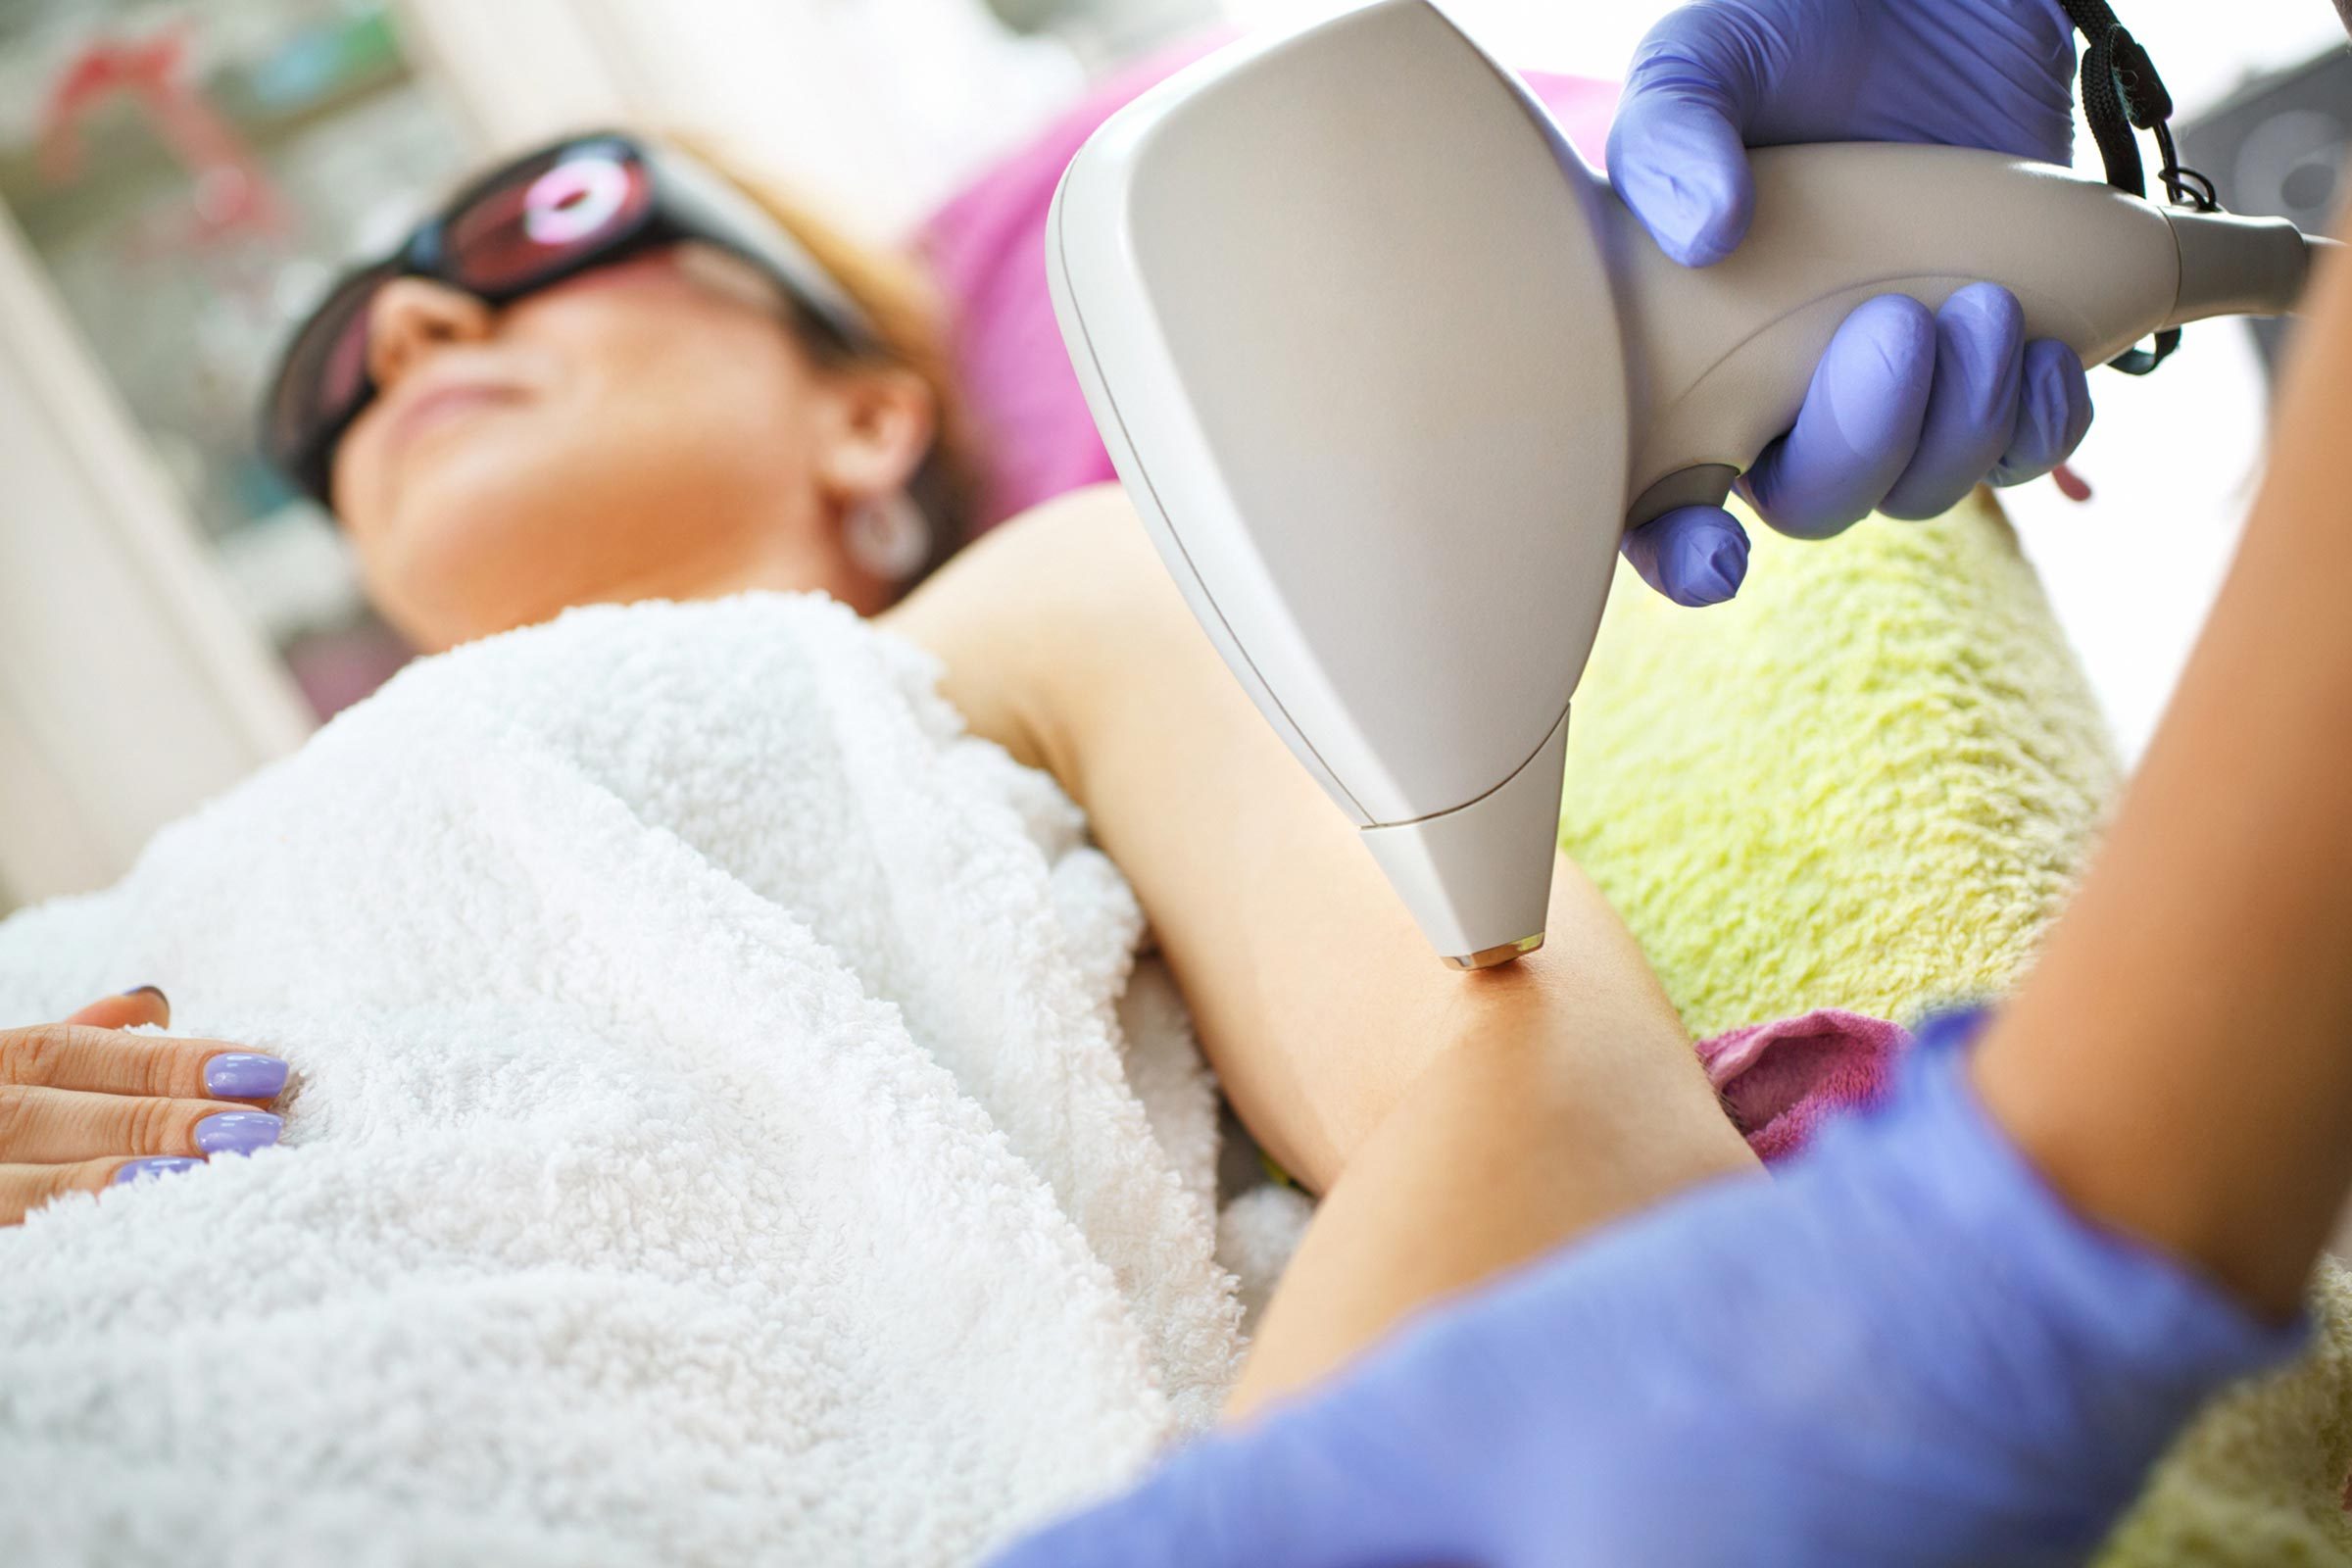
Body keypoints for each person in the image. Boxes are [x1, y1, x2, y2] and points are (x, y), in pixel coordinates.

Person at [0, 9, 2085, 1223]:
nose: (419, 321)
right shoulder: (222, 883)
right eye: (332, 379)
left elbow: (1556, 1135)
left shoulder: (1037, 610)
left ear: (873, 410)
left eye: (554, 227)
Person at [990, 2, 2352, 1562]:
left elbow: (1526, 1061)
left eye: (636, 201)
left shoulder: (1034, 600)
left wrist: (2040, 1259)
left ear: (870, 415)